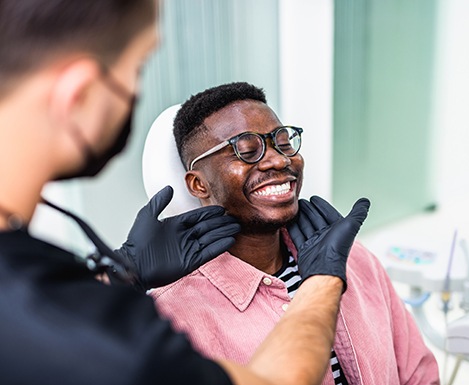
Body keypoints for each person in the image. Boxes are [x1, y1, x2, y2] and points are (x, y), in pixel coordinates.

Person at [0, 1, 371, 385]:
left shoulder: (35, 293)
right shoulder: (141, 327)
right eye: (137, 68)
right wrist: (325, 279)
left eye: (281, 141)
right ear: (78, 94)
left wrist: (119, 274)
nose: (276, 160)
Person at [149, 82, 441, 385]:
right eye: (247, 150)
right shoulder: (173, 317)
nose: (279, 160)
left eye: (284, 143)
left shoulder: (351, 259)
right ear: (198, 185)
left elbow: (419, 375)